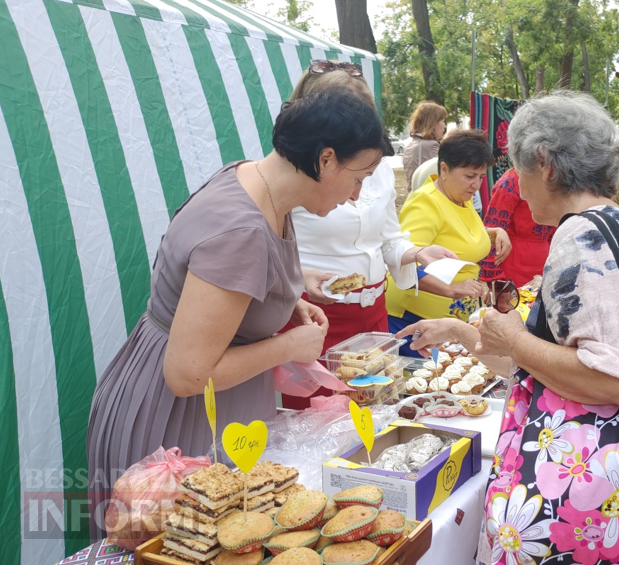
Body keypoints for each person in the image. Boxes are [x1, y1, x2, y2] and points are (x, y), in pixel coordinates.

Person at [86, 86, 393, 539]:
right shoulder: (241, 230)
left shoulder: (257, 183)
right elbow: (189, 374)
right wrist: (288, 345)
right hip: (178, 422)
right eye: (359, 176)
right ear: (326, 159)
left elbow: (231, 289)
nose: (355, 195)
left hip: (198, 408)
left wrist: (288, 296)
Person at [395, 91, 619, 565]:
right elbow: (548, 364)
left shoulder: (581, 238)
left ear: (544, 164)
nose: (515, 186)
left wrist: (518, 340)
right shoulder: (611, 222)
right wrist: (465, 334)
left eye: (517, 168)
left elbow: (613, 380)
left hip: (577, 492)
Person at [281, 62, 456, 408]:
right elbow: (270, 254)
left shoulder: (379, 171)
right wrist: (298, 279)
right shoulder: (293, 173)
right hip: (318, 317)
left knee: (378, 410)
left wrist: (417, 253)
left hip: (373, 316)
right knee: (321, 422)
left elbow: (389, 239)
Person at [385, 129, 511, 355]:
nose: (476, 185)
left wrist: (493, 232)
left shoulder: (460, 196)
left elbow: (460, 232)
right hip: (416, 318)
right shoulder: (425, 203)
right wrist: (450, 289)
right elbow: (405, 260)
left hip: (448, 320)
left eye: (481, 177)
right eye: (470, 176)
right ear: (444, 169)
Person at [478, 169, 556, 286]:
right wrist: (496, 280)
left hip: (545, 260)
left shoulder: (556, 178)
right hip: (513, 263)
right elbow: (492, 232)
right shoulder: (511, 182)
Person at [402, 101, 447, 184]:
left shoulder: (412, 143)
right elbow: (443, 177)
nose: (445, 126)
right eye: (443, 121)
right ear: (433, 123)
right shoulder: (430, 146)